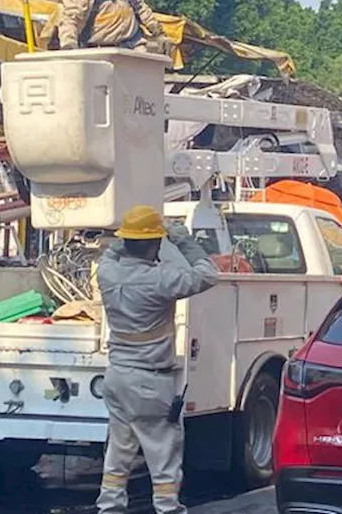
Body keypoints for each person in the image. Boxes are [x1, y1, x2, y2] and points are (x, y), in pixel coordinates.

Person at [95, 205, 220, 514]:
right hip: (150, 380)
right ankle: (168, 509)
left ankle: (109, 507)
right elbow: (207, 274)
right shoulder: (161, 279)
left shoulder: (107, 273)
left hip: (117, 377)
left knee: (119, 453)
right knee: (163, 454)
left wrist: (137, 232)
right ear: (155, 243)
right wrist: (181, 239)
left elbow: (112, 253)